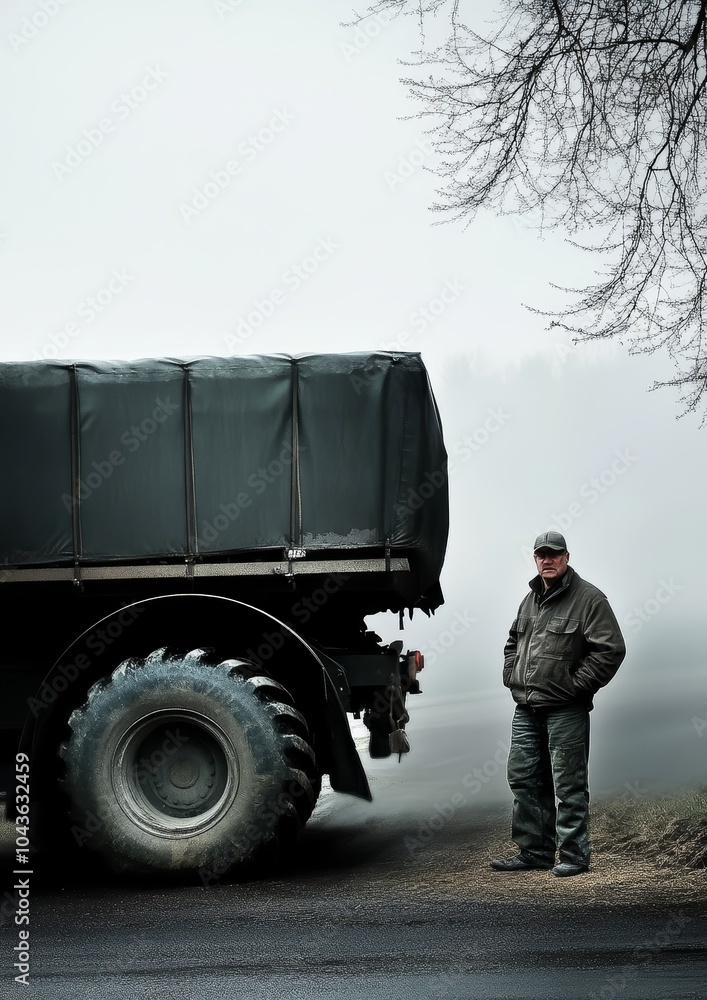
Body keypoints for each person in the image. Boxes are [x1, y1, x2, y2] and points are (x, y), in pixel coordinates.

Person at [491, 531, 626, 877]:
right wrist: (512, 675)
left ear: (566, 557)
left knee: (568, 783)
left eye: (554, 554)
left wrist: (575, 687)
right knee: (523, 778)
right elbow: (512, 643)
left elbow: (610, 650)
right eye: (541, 555)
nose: (547, 560)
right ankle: (534, 852)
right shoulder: (529, 600)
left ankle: (574, 856)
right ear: (535, 559)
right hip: (526, 707)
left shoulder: (590, 599)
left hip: (566, 709)